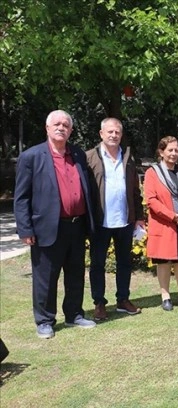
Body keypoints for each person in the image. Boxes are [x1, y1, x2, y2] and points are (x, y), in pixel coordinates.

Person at [14, 110, 97, 338]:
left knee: (75, 273)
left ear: (71, 130)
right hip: (47, 228)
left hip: (77, 225)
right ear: (47, 128)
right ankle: (44, 320)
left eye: (65, 125)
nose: (61, 128)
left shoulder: (78, 154)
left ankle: (74, 314)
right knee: (46, 277)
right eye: (57, 124)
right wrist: (25, 229)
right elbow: (21, 197)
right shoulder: (31, 157)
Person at [86, 117, 145, 320]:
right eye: (110, 131)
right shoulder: (89, 157)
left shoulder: (128, 157)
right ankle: (99, 303)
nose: (113, 135)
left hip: (124, 220)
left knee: (124, 263)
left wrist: (139, 217)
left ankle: (123, 299)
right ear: (101, 134)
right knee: (97, 264)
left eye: (117, 132)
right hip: (100, 221)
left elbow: (135, 190)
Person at [144, 136, 178, 311]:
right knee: (164, 262)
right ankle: (165, 296)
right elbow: (151, 200)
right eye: (170, 150)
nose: (174, 153)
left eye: (176, 150)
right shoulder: (152, 173)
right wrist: (172, 216)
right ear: (161, 152)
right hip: (164, 225)